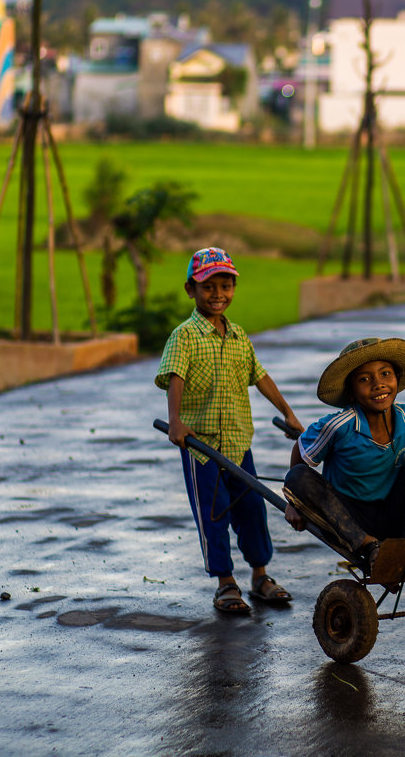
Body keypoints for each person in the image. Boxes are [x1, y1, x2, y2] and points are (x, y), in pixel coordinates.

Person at [156, 247, 304, 615]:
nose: (218, 294)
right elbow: (176, 377)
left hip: (238, 442)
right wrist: (175, 421)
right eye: (209, 287)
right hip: (200, 445)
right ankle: (225, 582)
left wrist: (287, 412)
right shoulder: (185, 336)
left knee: (253, 508)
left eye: (226, 285)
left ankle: (260, 575)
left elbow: (260, 376)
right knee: (214, 513)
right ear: (191, 289)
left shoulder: (238, 335)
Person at [282, 337, 405, 574]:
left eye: (385, 374)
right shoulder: (337, 425)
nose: (378, 384)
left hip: (393, 511)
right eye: (364, 379)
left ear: (397, 379)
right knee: (297, 477)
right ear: (351, 393)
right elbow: (300, 453)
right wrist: (293, 504)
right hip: (349, 518)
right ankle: (369, 545)